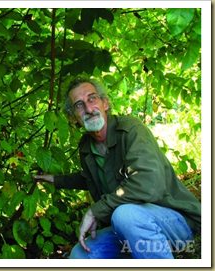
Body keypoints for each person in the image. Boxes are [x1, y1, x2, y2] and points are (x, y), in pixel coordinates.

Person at [34, 76, 201, 259]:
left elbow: (148, 185)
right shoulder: (86, 146)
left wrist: (95, 210)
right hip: (130, 231)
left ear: (105, 103)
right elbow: (91, 178)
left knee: (125, 214)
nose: (88, 109)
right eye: (79, 105)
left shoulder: (131, 130)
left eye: (92, 98)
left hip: (176, 223)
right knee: (80, 256)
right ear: (73, 118)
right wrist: (54, 180)